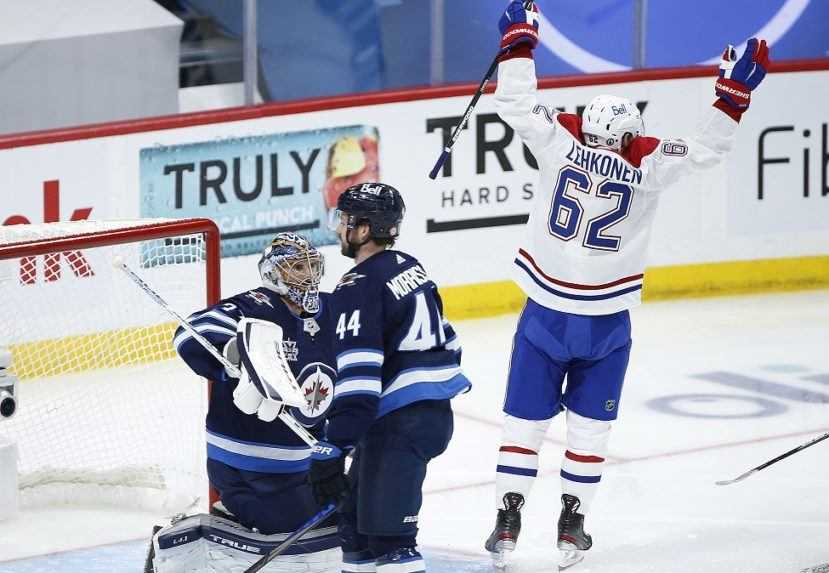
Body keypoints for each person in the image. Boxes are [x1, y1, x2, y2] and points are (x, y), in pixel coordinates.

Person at [484, 2, 769, 569]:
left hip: (544, 314)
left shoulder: (559, 144)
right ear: (630, 133)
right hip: (607, 323)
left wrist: (520, 43)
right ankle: (573, 524)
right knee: (590, 428)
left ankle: (508, 519)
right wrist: (732, 96)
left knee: (524, 421)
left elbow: (514, 102)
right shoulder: (649, 164)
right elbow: (708, 149)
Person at [151, 233, 340, 573]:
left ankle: (233, 518)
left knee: (352, 516)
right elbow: (193, 332)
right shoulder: (255, 305)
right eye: (297, 267)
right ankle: (194, 540)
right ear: (273, 273)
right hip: (246, 466)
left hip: (302, 464)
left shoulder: (331, 311)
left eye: (312, 265)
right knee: (315, 539)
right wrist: (234, 355)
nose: (307, 275)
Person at [307, 182, 471, 573]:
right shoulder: (409, 267)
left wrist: (336, 444)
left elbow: (359, 380)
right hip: (428, 416)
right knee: (355, 533)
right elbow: (450, 340)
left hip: (398, 425)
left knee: (391, 544)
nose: (338, 228)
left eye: (344, 220)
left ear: (364, 229)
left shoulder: (357, 286)